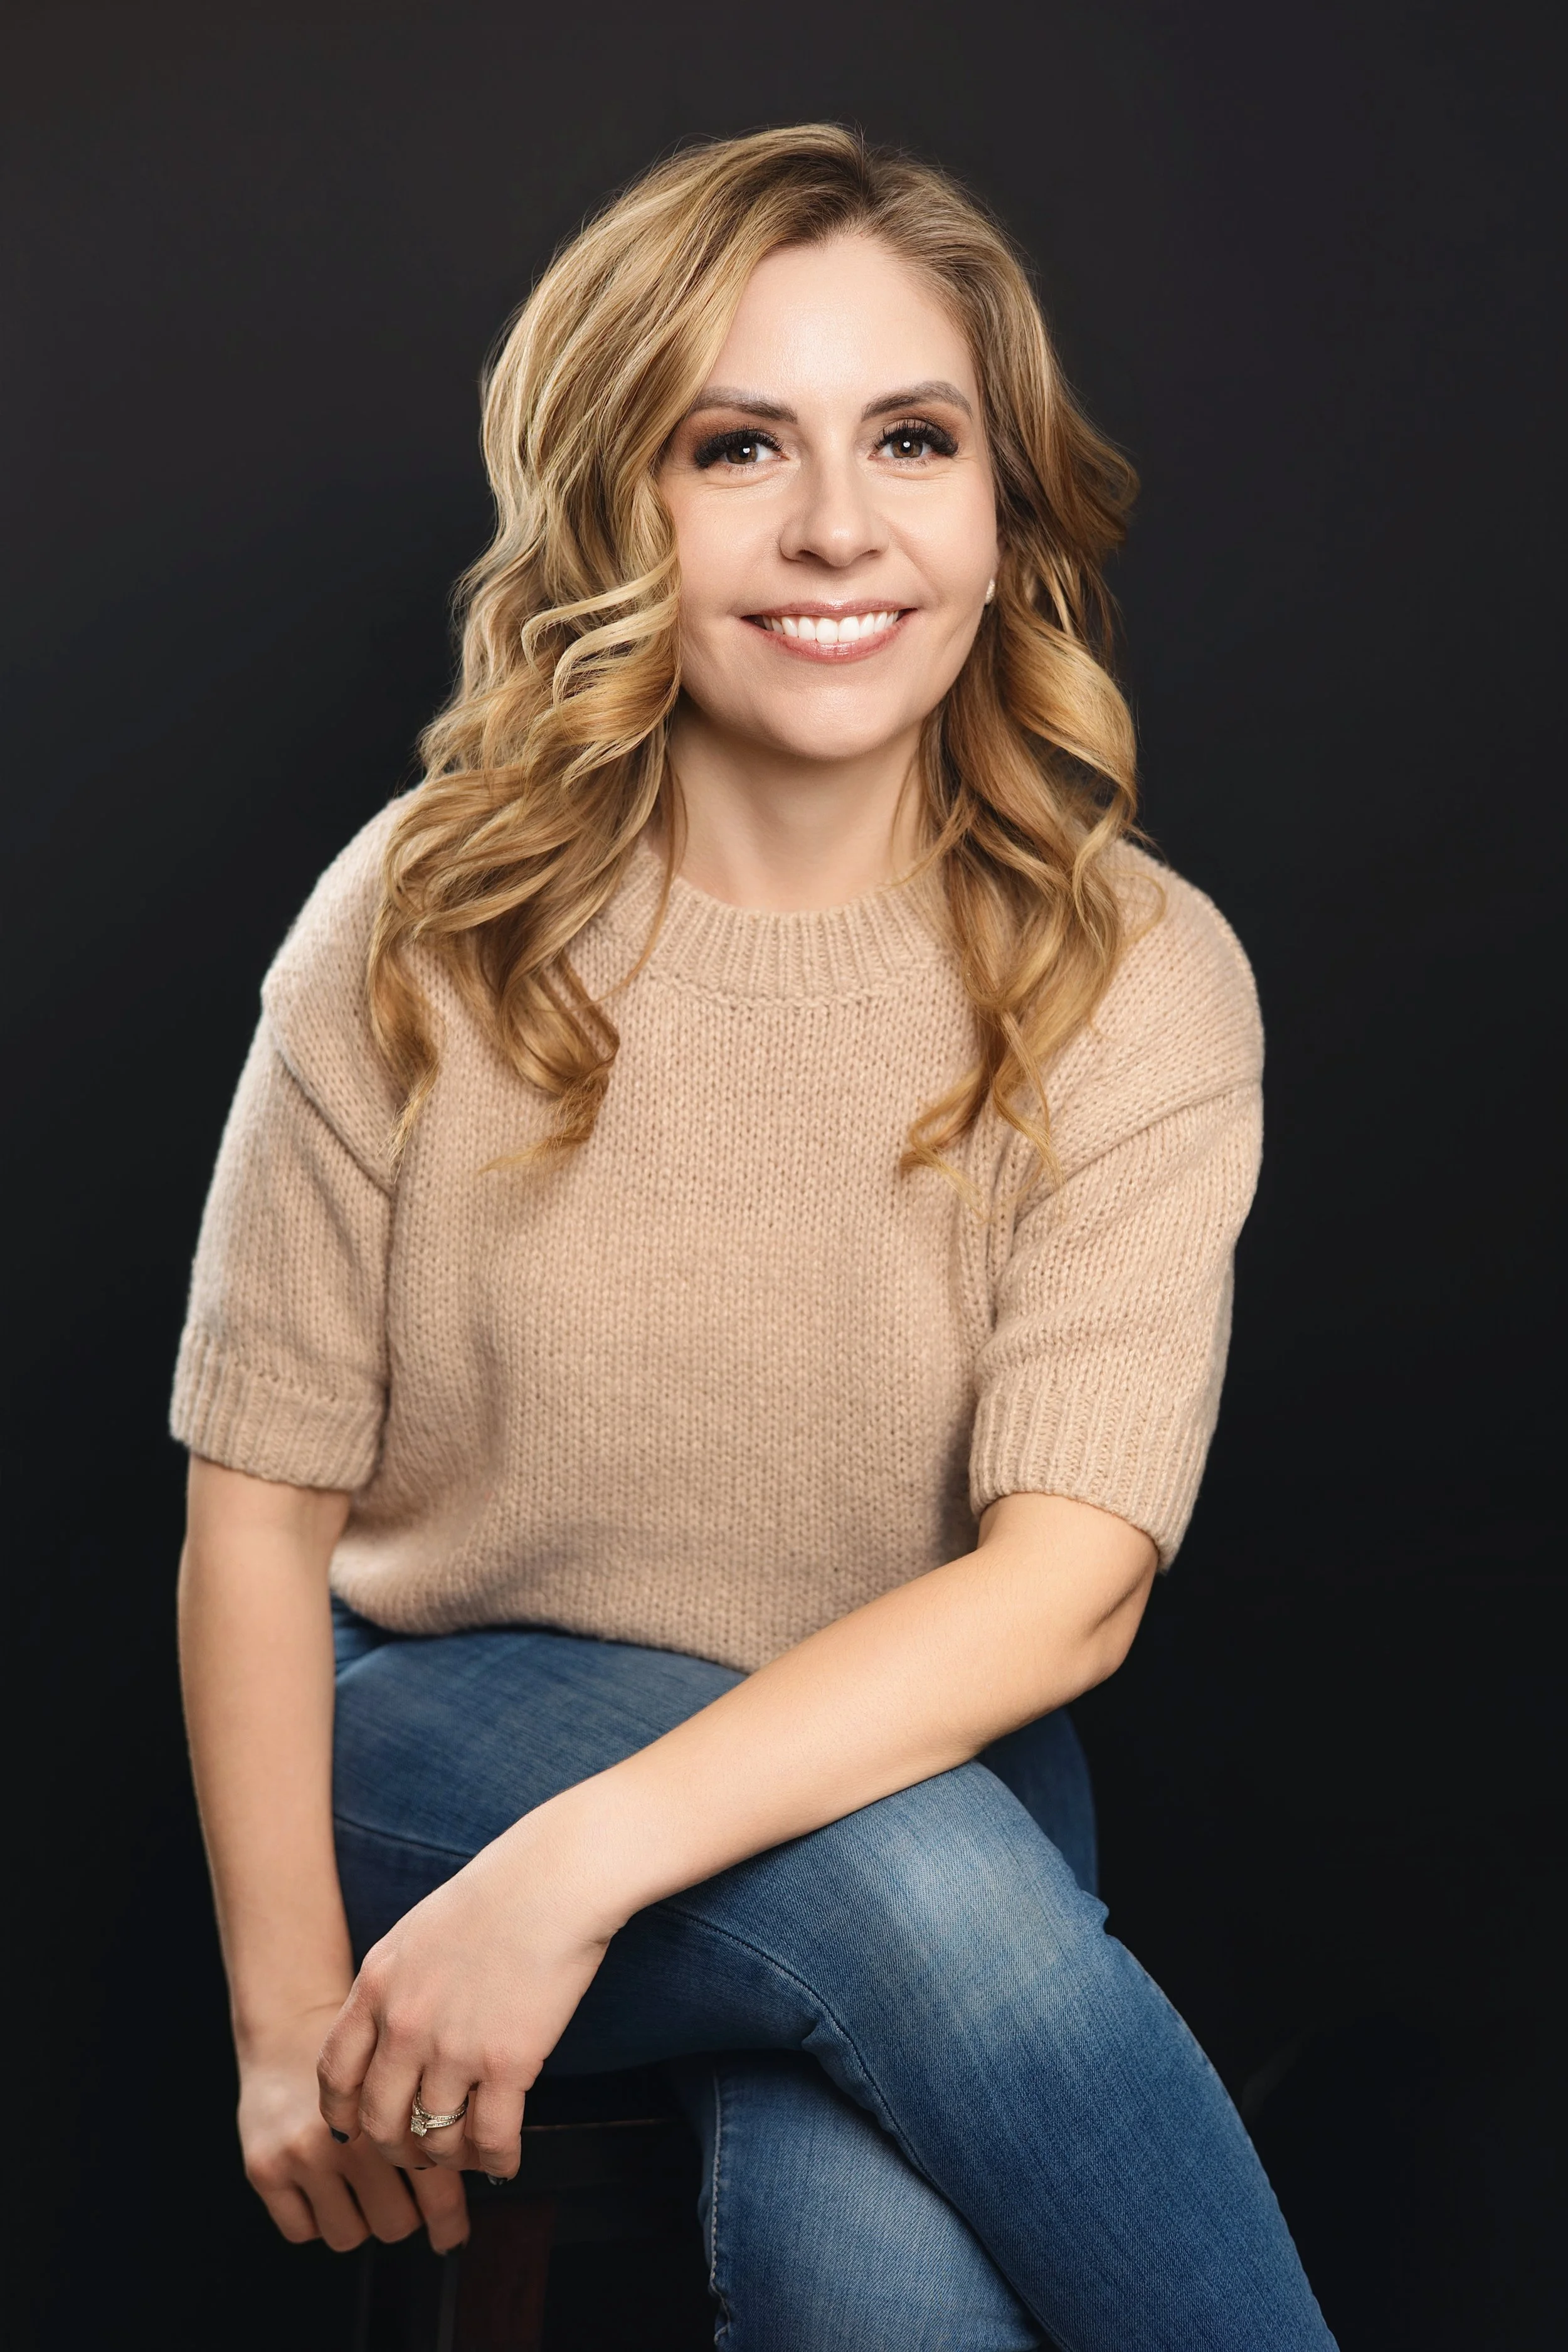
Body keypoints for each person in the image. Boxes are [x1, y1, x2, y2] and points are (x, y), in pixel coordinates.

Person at [173, 124, 1335, 2349]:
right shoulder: (418, 920)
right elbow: (254, 1513)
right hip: (448, 1740)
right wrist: (285, 2016)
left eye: (911, 439)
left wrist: (578, 1868)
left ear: (1002, 508)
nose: (834, 527)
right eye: (735, 446)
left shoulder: (1137, 973)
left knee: (888, 2268)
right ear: (621, 503)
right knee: (939, 1909)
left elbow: (1067, 1583)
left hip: (912, 1764)